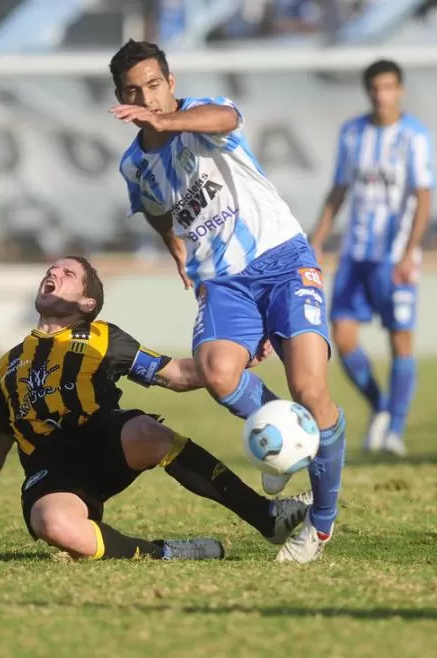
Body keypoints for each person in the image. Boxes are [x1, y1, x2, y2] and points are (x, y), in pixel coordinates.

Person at [0, 257, 312, 561]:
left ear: (87, 302)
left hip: (103, 442)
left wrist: (230, 359)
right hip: (49, 469)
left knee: (148, 431)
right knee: (54, 526)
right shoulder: (7, 366)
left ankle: (267, 515)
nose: (52, 274)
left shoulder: (103, 338)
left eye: (67, 273)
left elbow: (177, 376)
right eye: (49, 271)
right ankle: (161, 552)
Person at [109, 40, 346, 564]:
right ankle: (280, 436)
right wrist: (171, 239)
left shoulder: (200, 115)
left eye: (154, 85)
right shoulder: (135, 165)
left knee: (311, 390)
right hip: (223, 281)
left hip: (283, 260)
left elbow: (227, 117)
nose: (146, 98)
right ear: (119, 98)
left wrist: (170, 122)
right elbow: (151, 206)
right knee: (218, 374)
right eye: (133, 91)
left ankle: (320, 526)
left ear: (171, 83)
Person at [309, 59, 435, 458]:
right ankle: (381, 405)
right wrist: (318, 237)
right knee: (342, 338)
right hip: (355, 255)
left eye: (389, 87)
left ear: (400, 90)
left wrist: (410, 251)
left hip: (394, 257)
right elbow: (339, 188)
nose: (382, 95)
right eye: (376, 88)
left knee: (400, 340)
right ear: (368, 92)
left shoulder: (415, 136)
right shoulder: (353, 133)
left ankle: (395, 428)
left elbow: (424, 196)